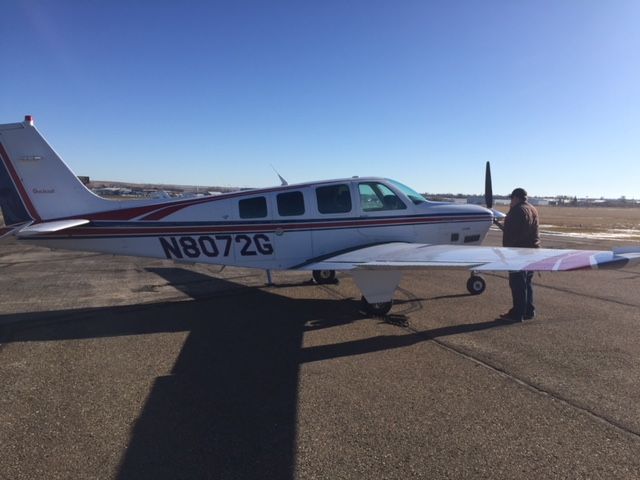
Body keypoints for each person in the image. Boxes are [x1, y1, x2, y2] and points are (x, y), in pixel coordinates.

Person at [500, 187, 540, 322]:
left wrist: (507, 252)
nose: (510, 201)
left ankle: (517, 314)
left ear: (516, 198)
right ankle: (529, 310)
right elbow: (524, 230)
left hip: (518, 253)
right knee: (527, 282)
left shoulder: (517, 211)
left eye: (511, 198)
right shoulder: (532, 209)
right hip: (532, 251)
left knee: (517, 283)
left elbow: (513, 235)